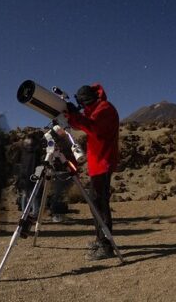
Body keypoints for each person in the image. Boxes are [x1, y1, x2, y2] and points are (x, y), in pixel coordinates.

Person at [66, 84, 119, 260]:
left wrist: (74, 114)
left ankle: (106, 246)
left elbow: (92, 127)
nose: (83, 107)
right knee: (95, 202)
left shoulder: (105, 109)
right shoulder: (96, 108)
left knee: (100, 204)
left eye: (83, 104)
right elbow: (83, 122)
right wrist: (71, 115)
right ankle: (101, 239)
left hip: (103, 162)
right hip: (97, 163)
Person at [17, 134, 42, 217]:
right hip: (27, 176)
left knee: (29, 195)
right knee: (30, 195)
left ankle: (27, 213)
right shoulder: (34, 151)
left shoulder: (28, 151)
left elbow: (38, 164)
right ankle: (29, 213)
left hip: (27, 175)